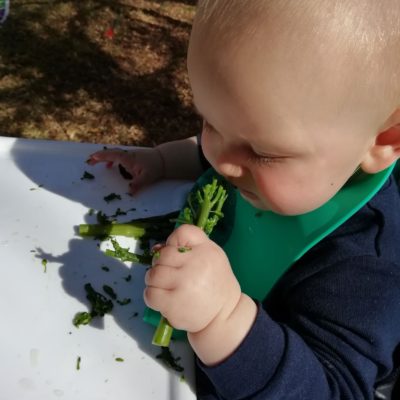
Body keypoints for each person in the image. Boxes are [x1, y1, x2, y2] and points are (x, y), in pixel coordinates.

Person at [87, 1, 400, 398]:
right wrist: (163, 160)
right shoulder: (265, 147)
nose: (223, 163)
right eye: (211, 123)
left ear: (383, 141)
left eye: (263, 152)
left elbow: (334, 390)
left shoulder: (364, 270)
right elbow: (216, 149)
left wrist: (222, 320)